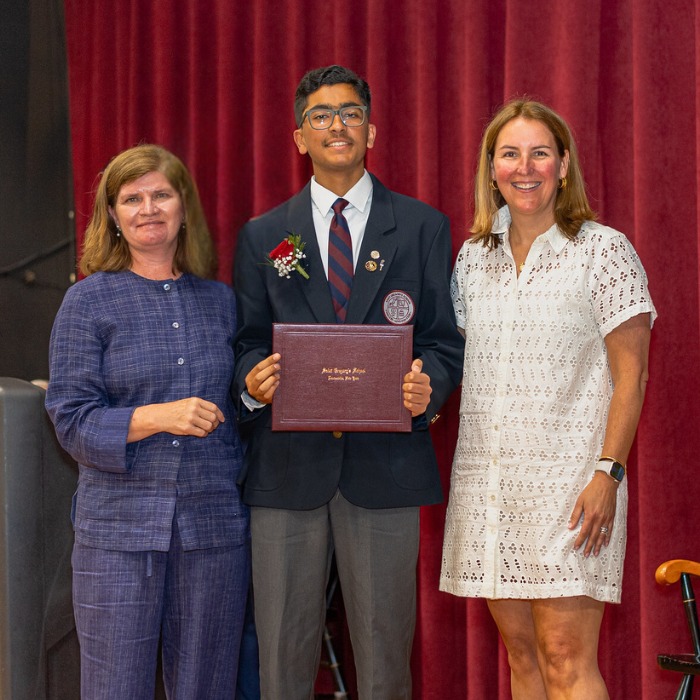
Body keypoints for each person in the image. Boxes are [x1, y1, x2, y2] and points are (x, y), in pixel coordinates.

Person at [232, 65, 464, 699]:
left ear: (372, 130)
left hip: (384, 468)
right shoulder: (263, 236)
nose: (337, 124)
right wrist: (253, 381)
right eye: (321, 115)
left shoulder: (422, 227)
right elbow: (248, 340)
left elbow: (444, 341)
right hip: (286, 470)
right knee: (281, 661)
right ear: (300, 137)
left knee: (386, 662)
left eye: (351, 113)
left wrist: (430, 389)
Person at [440, 99, 656, 699]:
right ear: (491, 168)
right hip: (491, 490)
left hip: (574, 488)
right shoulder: (471, 258)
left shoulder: (603, 250)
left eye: (540, 153)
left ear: (564, 165)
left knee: (566, 659)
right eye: (510, 154)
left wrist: (607, 472)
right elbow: (454, 362)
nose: (524, 167)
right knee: (525, 660)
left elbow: (632, 373)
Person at [45, 144, 250, 699]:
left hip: (213, 532)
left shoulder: (222, 302)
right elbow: (70, 420)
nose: (148, 207)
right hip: (116, 533)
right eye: (131, 198)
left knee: (208, 689)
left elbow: (242, 414)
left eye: (161, 193)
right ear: (112, 215)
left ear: (184, 205)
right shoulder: (87, 302)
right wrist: (157, 417)